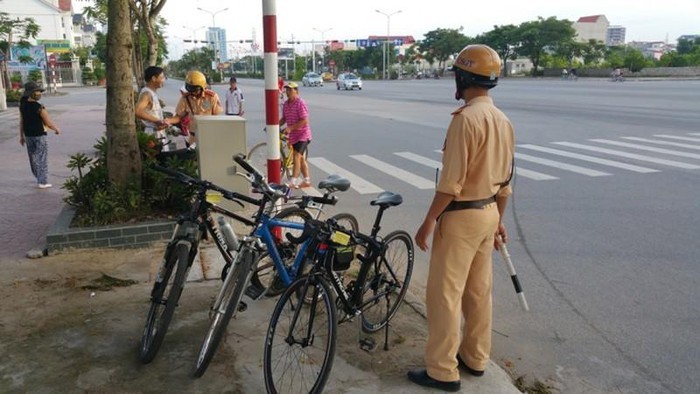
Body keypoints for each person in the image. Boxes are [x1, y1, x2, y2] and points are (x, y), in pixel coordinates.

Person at [408, 44, 515, 392]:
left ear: (464, 76)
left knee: (444, 295)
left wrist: (428, 221)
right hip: (487, 214)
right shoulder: (503, 120)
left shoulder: (465, 119)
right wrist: (498, 220)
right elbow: (506, 182)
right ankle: (476, 358)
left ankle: (442, 370)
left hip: (461, 218)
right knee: (479, 293)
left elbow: (451, 183)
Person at [19, 81, 61, 189]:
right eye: (37, 91)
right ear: (32, 93)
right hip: (39, 135)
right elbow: (47, 122)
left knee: (33, 158)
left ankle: (38, 178)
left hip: (28, 136)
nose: (39, 93)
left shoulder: (23, 105)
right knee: (41, 158)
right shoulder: (39, 107)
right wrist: (56, 129)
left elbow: (22, 121)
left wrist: (21, 136)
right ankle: (42, 181)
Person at [174, 70, 223, 148]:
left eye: (195, 90)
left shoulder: (212, 97)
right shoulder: (185, 98)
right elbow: (178, 117)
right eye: (191, 90)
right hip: (193, 138)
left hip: (209, 137)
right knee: (193, 158)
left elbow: (217, 118)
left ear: (202, 87)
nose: (193, 93)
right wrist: (167, 121)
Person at [135, 66, 178, 150]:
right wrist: (158, 121)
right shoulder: (147, 94)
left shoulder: (151, 93)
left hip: (158, 133)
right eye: (162, 77)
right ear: (154, 78)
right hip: (153, 134)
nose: (164, 80)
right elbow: (138, 111)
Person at [279, 81, 312, 189]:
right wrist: (274, 125)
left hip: (303, 134)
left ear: (296, 91)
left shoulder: (300, 103)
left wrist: (290, 128)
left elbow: (304, 120)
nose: (287, 92)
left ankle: (293, 180)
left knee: (296, 156)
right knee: (301, 158)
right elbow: (284, 119)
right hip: (293, 136)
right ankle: (307, 180)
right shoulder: (286, 104)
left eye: (290, 90)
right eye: (286, 90)